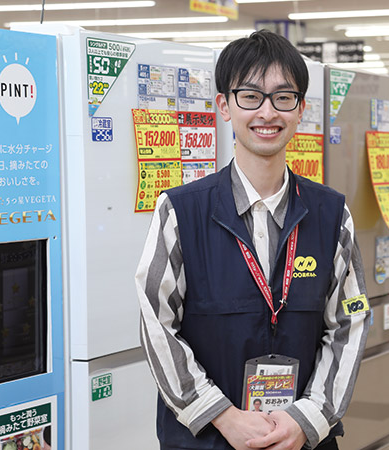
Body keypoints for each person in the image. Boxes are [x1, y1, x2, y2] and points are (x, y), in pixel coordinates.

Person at [136, 30, 370, 450]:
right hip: (208, 438)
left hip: (302, 440)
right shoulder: (180, 211)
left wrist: (307, 418)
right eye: (250, 96)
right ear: (225, 106)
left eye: (283, 97)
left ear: (300, 110)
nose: (267, 112)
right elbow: (157, 325)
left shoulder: (331, 214)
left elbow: (349, 325)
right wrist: (224, 416)